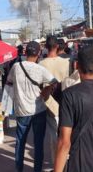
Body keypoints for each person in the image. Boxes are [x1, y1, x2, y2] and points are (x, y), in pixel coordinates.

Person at [8, 41, 57, 172]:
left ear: (25, 52)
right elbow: (55, 82)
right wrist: (47, 90)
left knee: (20, 142)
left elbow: (9, 83)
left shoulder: (16, 67)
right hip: (38, 110)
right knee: (38, 144)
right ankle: (37, 170)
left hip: (22, 111)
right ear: (39, 53)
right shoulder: (40, 69)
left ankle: (19, 169)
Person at [38, 36, 70, 169]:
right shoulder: (67, 62)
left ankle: (56, 164)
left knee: (53, 135)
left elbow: (40, 86)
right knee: (66, 134)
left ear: (46, 47)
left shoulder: (41, 64)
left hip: (49, 103)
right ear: (57, 46)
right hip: (66, 102)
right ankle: (67, 161)